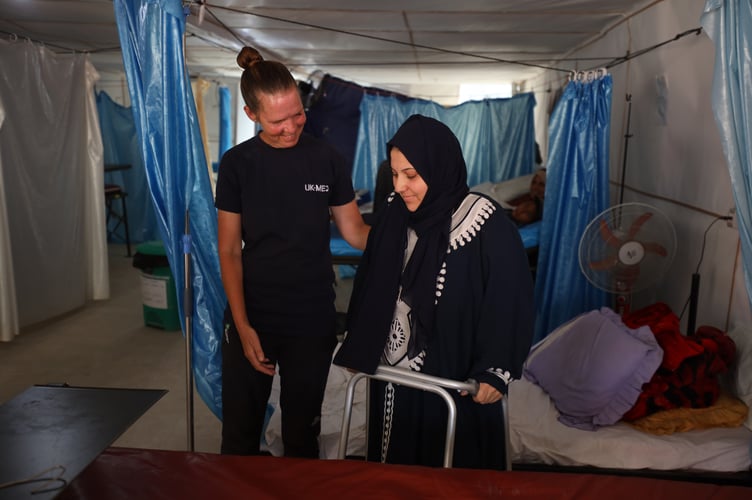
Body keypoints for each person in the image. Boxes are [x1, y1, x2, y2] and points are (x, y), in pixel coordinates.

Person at [333, 115, 534, 469]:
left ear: (439, 166)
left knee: (449, 471)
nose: (400, 186)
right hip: (390, 379)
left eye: (411, 175)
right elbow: (370, 278)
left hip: (452, 377)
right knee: (393, 474)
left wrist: (495, 369)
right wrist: (360, 339)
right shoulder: (396, 212)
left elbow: (508, 298)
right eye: (394, 175)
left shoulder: (484, 222)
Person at [214, 46, 369, 457]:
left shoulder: (326, 158)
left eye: (297, 114)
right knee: (240, 436)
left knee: (302, 435)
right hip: (254, 312)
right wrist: (244, 327)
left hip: (311, 318)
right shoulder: (237, 164)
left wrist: (413, 239)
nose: (291, 127)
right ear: (251, 115)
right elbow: (229, 250)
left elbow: (355, 232)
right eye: (277, 120)